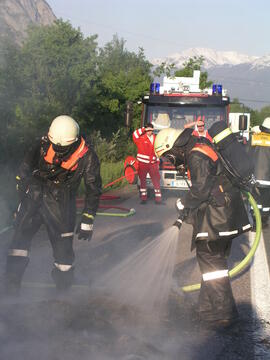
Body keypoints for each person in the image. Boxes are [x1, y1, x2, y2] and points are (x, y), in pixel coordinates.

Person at [154, 128, 251, 329]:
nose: (171, 162)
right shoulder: (199, 147)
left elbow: (201, 189)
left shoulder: (196, 155)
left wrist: (183, 202)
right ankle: (206, 311)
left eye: (168, 157)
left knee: (212, 264)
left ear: (174, 148)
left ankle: (225, 314)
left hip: (217, 219)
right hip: (224, 215)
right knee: (211, 266)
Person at [5, 115, 102, 295]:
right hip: (33, 196)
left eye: (62, 148)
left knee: (63, 254)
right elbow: (23, 172)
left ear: (73, 142)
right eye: (55, 146)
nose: (57, 151)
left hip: (61, 203)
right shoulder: (41, 144)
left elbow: (93, 189)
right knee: (19, 242)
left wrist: (88, 219)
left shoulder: (87, 156)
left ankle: (62, 296)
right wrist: (18, 203)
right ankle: (10, 289)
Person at [132, 123, 162, 204]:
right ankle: (144, 198)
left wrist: (158, 162)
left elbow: (158, 151)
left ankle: (158, 199)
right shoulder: (141, 138)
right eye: (147, 130)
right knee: (143, 181)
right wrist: (143, 129)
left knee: (156, 180)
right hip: (142, 164)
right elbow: (134, 134)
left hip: (153, 163)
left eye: (151, 130)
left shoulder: (156, 138)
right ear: (145, 130)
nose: (149, 132)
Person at [249, 117, 270, 226]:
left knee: (255, 202)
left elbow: (247, 155)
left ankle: (255, 222)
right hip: (268, 179)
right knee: (266, 202)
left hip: (254, 177)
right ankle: (264, 221)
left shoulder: (254, 138)